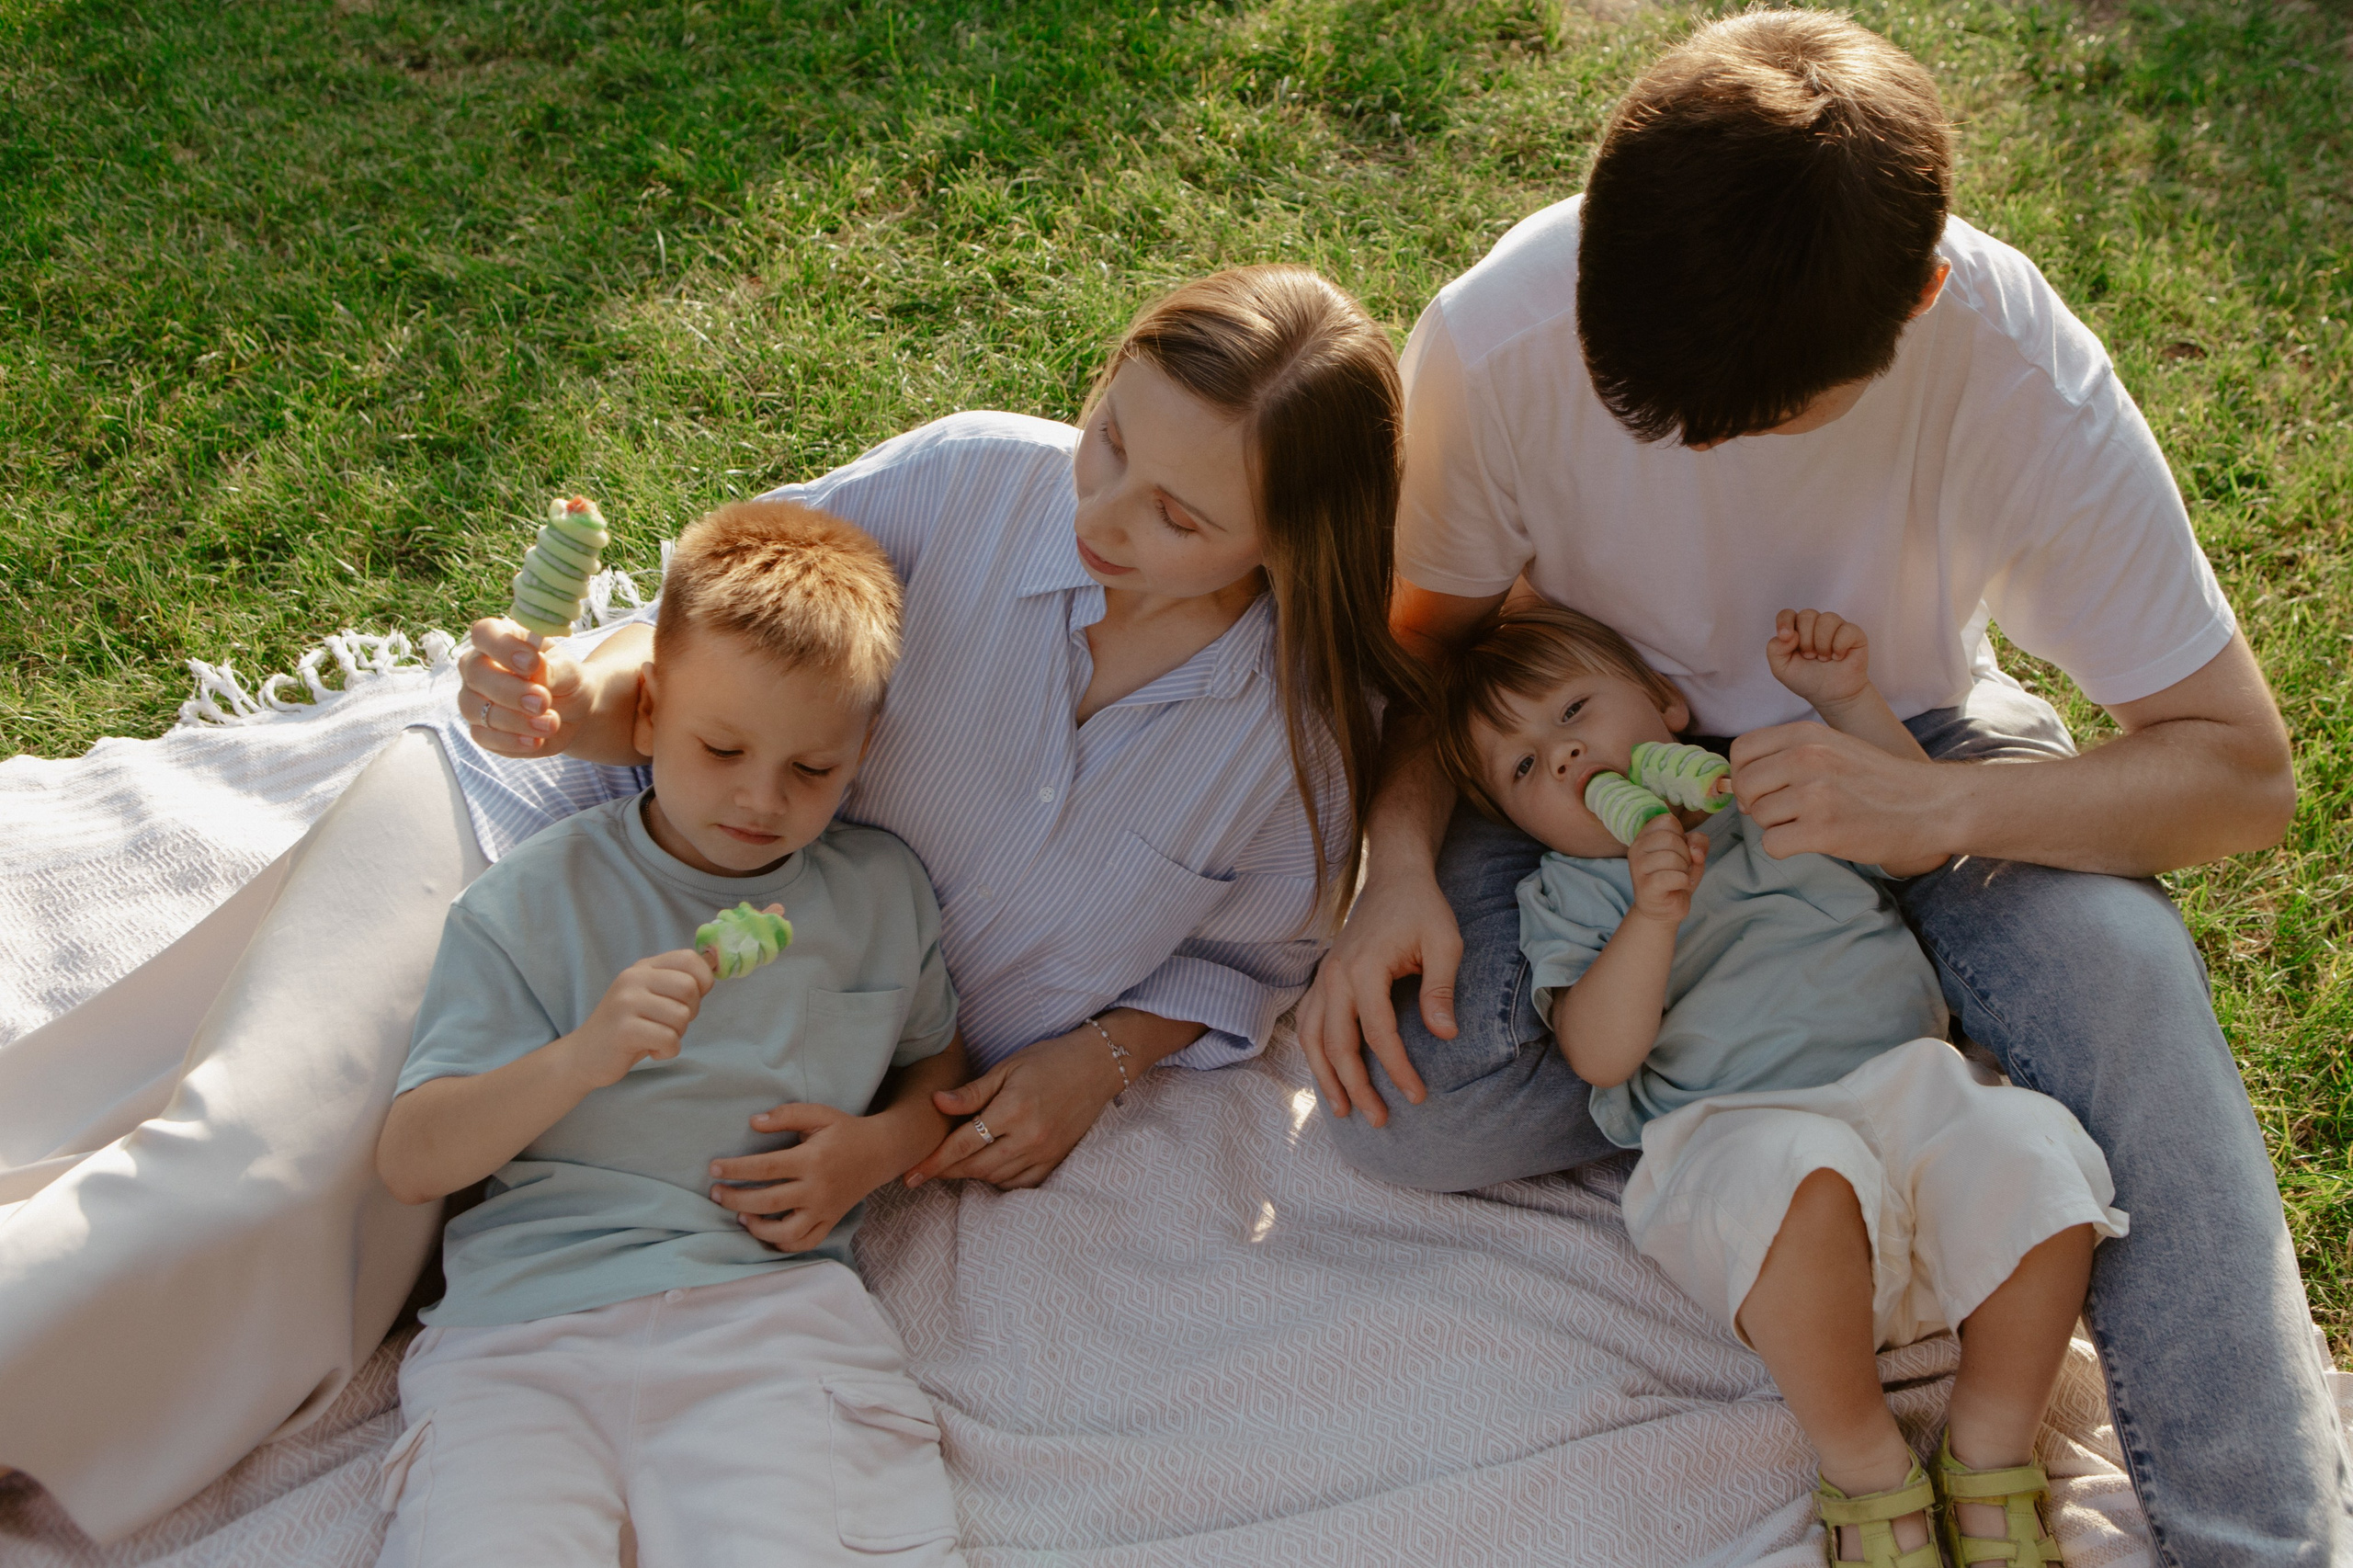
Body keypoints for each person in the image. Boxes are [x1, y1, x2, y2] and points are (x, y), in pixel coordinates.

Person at [0, 264, 1423, 1538]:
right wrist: (561, 710)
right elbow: (703, 655)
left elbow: (1254, 948)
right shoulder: (971, 483)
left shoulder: (1296, 736)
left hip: (705, 1081)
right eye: (1110, 438)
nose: (1101, 512)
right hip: (532, 840)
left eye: (1177, 513)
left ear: (1289, 543)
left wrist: (1097, 1058)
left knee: (339, 1261)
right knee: (254, 1172)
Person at [1297, 10, 2346, 1558]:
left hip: (1908, 742)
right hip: (1584, 776)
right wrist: (1396, 864)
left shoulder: (2007, 361)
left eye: (1761, 424)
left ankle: (2261, 1537)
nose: (1702, 454)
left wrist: (1940, 810)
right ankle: (1832, 1048)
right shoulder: (1507, 331)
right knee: (1413, 1104)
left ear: (1918, 300)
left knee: (2126, 996)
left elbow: (2243, 774)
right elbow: (1421, 665)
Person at [1440, 600, 2123, 1565]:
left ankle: (1990, 1441)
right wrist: (1649, 918)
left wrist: (1846, 701)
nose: (1558, 756)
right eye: (1521, 767)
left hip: (1908, 1086)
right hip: (1734, 1129)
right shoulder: (1570, 891)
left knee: (2039, 1154)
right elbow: (1598, 1052)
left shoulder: (1774, 794)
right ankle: (1867, 1464)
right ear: (1515, 821)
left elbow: (1915, 842)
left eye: (1573, 712)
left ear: (1667, 704)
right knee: (1799, 1175)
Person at [373, 502, 964, 1565]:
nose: (759, 797)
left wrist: (880, 1147)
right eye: (722, 746)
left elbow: (936, 1061)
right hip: (521, 1334)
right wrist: (580, 1055)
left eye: (812, 769)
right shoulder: (532, 902)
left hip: (773, 1324)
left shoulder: (885, 894)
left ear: (864, 749)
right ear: (645, 714)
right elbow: (415, 1159)